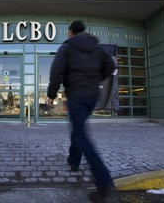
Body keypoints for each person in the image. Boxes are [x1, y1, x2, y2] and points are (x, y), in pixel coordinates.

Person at [47, 20, 119, 203]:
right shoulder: (98, 48)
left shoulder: (67, 48)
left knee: (81, 134)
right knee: (78, 128)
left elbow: (56, 71)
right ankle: (74, 160)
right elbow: (111, 67)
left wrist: (51, 95)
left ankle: (105, 185)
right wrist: (94, 79)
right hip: (91, 96)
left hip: (77, 95)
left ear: (71, 32)